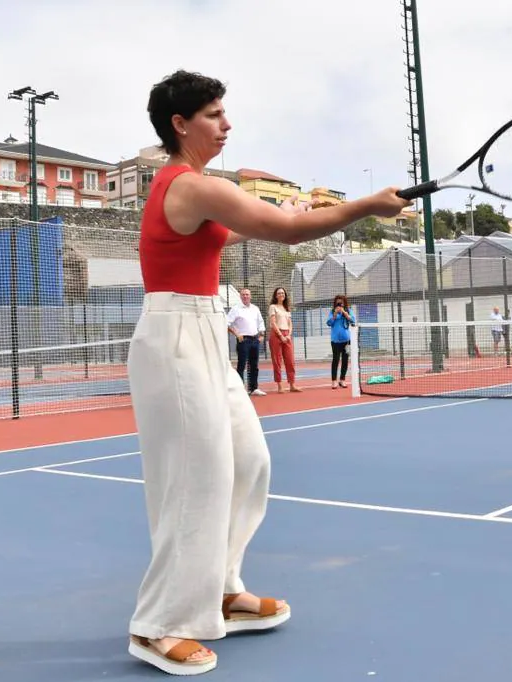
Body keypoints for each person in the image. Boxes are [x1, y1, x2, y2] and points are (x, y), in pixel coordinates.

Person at [125, 69, 410, 676]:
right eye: (213, 115)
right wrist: (366, 206)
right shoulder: (185, 184)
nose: (227, 124)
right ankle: (159, 625)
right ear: (181, 124)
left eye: (225, 113)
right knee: (193, 484)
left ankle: (219, 591)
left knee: (248, 464)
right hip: (175, 335)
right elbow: (281, 227)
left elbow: (263, 219)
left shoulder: (198, 186)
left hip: (204, 331)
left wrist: (310, 206)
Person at [226, 288, 266, 395]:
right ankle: (240, 389)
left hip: (255, 340)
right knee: (241, 365)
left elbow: (261, 322)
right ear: (240, 296)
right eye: (243, 294)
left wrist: (261, 335)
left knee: (254, 365)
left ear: (250, 296)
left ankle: (254, 388)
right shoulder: (236, 309)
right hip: (243, 340)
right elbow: (226, 323)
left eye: (247, 294)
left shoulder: (255, 308)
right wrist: (237, 334)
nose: (245, 296)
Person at [267, 286, 299, 393]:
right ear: (276, 295)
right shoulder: (273, 307)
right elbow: (273, 322)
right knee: (277, 361)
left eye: (283, 293)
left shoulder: (286, 308)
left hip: (287, 335)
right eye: (279, 293)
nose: (281, 295)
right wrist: (281, 335)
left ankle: (292, 385)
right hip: (276, 334)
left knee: (290, 360)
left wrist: (288, 335)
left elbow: (290, 323)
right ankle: (280, 386)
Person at [326, 294, 355, 388]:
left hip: (346, 340)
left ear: (344, 303)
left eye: (341, 302)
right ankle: (334, 381)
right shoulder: (332, 311)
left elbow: (353, 321)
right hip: (335, 341)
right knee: (335, 360)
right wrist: (334, 315)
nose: (339, 304)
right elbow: (329, 323)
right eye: (337, 302)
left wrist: (345, 314)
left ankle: (342, 380)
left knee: (345, 360)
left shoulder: (348, 311)